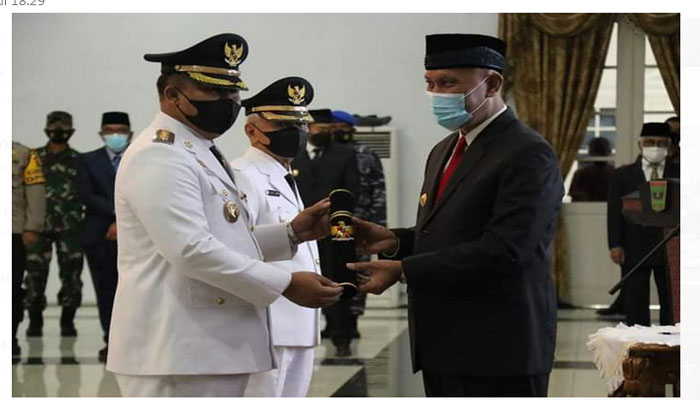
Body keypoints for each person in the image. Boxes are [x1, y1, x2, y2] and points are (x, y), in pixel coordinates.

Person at [105, 33, 342, 397]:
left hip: (206, 347)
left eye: (233, 92)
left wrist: (291, 233)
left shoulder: (198, 150)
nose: (229, 101)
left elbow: (223, 237)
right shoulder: (160, 153)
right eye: (214, 91)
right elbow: (189, 249)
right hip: (177, 349)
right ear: (172, 95)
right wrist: (285, 283)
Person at [347, 34, 564, 397]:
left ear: (491, 84)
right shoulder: (445, 149)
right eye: (430, 83)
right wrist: (395, 240)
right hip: (443, 342)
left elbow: (505, 250)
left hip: (498, 346)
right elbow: (453, 231)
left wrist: (404, 270)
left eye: (448, 83)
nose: (436, 94)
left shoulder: (526, 153)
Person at [231, 76, 321, 397]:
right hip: (270, 322)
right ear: (252, 131)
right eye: (282, 125)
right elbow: (236, 245)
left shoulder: (283, 175)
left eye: (300, 124)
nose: (296, 133)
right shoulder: (243, 175)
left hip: (297, 321)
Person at [291, 108, 359, 357]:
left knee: (337, 280)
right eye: (319, 129)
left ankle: (342, 337)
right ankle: (305, 332)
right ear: (308, 129)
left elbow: (352, 191)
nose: (324, 133)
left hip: (335, 230)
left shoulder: (344, 154)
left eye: (328, 130)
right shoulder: (294, 156)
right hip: (301, 231)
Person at [607, 122, 679, 327]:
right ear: (640, 145)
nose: (655, 147)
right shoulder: (622, 175)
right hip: (634, 245)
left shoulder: (681, 172)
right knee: (635, 301)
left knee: (671, 302)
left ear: (669, 146)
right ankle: (638, 341)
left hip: (670, 246)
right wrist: (615, 244)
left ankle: (669, 342)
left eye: (661, 143)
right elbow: (614, 212)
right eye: (649, 142)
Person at [77, 111, 133, 362]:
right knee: (106, 289)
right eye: (110, 131)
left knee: (136, 291)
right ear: (101, 134)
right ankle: (111, 341)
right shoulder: (87, 160)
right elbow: (86, 195)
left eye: (121, 130)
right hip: (99, 235)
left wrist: (122, 222)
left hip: (136, 234)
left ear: (130, 133)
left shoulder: (141, 156)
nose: (116, 135)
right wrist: (117, 214)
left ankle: (134, 341)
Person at [24, 111, 85, 338]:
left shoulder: (80, 161)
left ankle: (67, 320)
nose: (58, 131)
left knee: (71, 275)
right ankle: (35, 320)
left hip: (70, 228)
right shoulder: (33, 159)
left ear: (72, 130)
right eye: (54, 126)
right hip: (37, 227)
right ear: (46, 129)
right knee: (34, 275)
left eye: (64, 127)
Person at [329, 109, 388, 337]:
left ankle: (352, 321)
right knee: (329, 271)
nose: (336, 132)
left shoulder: (365, 154)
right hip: (330, 226)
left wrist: (378, 226)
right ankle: (332, 322)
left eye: (340, 128)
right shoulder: (323, 154)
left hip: (359, 224)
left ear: (350, 129)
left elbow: (378, 191)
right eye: (332, 128)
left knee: (358, 272)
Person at [12, 142, 46, 356]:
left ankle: (10, 337)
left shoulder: (24, 154)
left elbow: (35, 192)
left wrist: (32, 227)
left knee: (11, 288)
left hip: (12, 232)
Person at [569, 137, 615, 202]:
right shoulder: (615, 173)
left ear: (590, 152)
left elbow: (575, 200)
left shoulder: (580, 173)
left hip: (585, 208)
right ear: (609, 152)